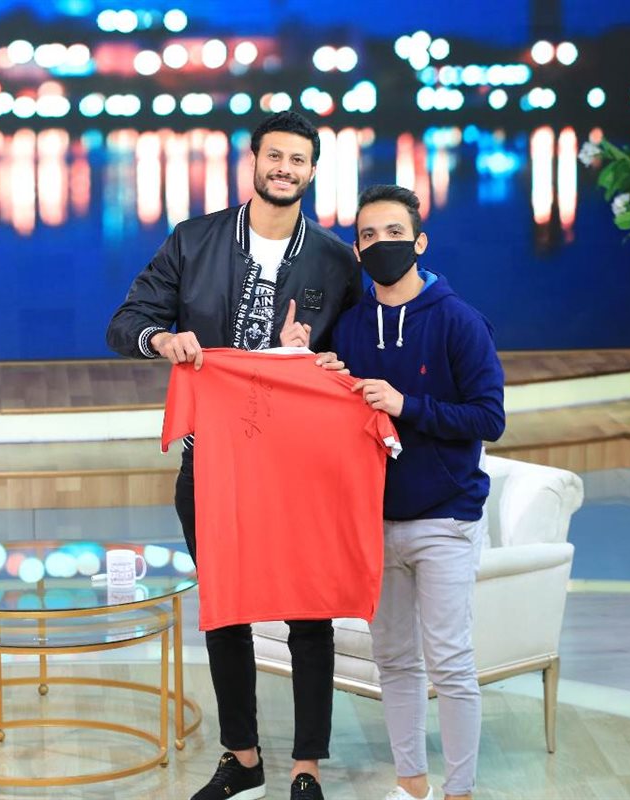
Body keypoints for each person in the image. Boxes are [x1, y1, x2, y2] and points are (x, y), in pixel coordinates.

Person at [107, 111, 359, 800]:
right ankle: (242, 758)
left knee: (310, 611)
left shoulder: (336, 260)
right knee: (225, 609)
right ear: (253, 161)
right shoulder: (194, 239)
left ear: (312, 171)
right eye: (274, 156)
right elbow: (125, 322)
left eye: (298, 160)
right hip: (213, 461)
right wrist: (163, 340)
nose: (284, 169)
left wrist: (322, 358)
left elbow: (358, 358)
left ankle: (307, 767)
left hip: (299, 465)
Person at [332, 185, 505, 800]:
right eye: (368, 236)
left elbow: (489, 418)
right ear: (357, 250)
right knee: (395, 662)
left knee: (451, 663)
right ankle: (412, 787)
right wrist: (308, 365)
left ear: (420, 242)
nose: (382, 244)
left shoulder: (459, 321)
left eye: (394, 233)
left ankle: (459, 792)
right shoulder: (349, 327)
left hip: (445, 519)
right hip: (374, 522)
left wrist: (407, 405)